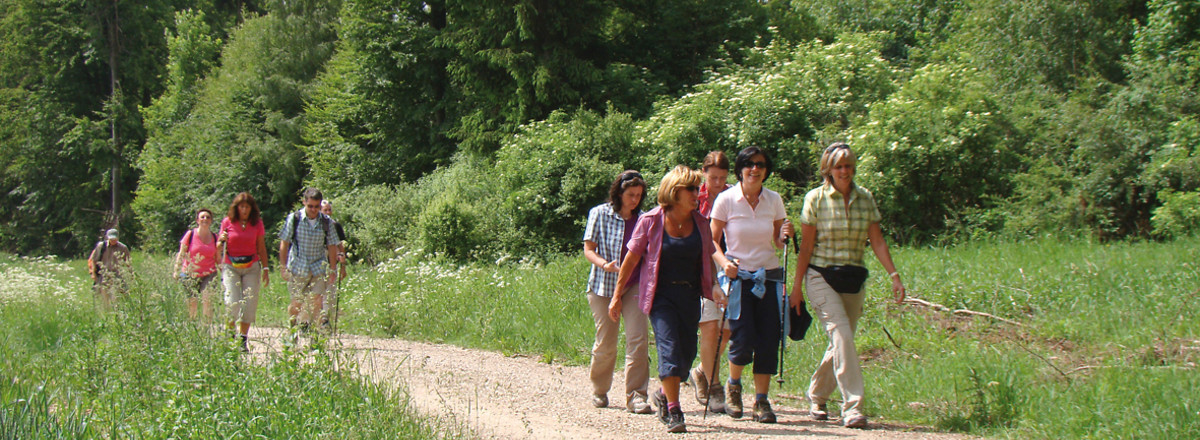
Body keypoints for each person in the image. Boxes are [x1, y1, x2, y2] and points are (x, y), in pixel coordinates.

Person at [790, 142, 906, 429]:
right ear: (828, 169)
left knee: (843, 342)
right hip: (820, 276)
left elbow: (877, 240)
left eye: (849, 165)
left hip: (853, 278)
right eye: (839, 166)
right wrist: (796, 288)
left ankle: (817, 394)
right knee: (840, 335)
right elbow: (805, 247)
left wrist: (894, 275)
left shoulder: (865, 198)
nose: (845, 171)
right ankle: (853, 407)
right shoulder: (815, 198)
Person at [609, 165, 717, 433]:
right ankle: (675, 410)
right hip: (661, 296)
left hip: (690, 295)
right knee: (668, 348)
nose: (697, 193)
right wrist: (617, 296)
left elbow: (708, 257)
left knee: (686, 355)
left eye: (697, 188)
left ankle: (662, 394)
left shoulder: (701, 223)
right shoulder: (651, 220)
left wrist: (715, 286)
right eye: (691, 189)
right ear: (675, 192)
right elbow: (631, 259)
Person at [710, 146, 794, 423]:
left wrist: (785, 235)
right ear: (740, 169)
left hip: (769, 276)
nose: (754, 169)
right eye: (749, 164)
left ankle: (761, 400)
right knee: (743, 338)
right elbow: (711, 240)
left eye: (760, 164)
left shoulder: (774, 200)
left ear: (766, 170)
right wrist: (724, 264)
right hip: (739, 278)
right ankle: (733, 386)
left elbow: (778, 241)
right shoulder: (726, 199)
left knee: (769, 339)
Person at [582, 170, 652, 414]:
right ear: (619, 193)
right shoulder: (599, 213)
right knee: (606, 342)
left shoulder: (644, 219)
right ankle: (599, 390)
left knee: (638, 340)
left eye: (639, 195)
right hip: (603, 286)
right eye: (630, 194)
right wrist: (605, 264)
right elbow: (588, 249)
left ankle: (637, 396)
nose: (634, 199)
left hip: (633, 286)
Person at [691, 150, 733, 413]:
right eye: (713, 177)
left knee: (727, 330)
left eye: (722, 178)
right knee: (709, 328)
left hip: (728, 266)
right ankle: (715, 385)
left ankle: (701, 371)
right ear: (704, 173)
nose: (717, 183)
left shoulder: (733, 196)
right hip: (700, 266)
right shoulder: (695, 196)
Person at [278, 188, 339, 345]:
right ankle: (292, 330)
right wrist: (282, 266)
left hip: (318, 267)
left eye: (316, 206)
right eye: (310, 206)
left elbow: (332, 245)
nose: (313, 210)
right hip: (298, 267)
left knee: (316, 301)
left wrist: (333, 269)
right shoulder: (294, 219)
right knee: (296, 304)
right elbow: (284, 243)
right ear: (304, 202)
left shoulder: (326, 222)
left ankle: (314, 337)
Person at [218, 192, 270, 353]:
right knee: (232, 302)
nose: (244, 210)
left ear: (251, 208)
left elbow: (261, 247)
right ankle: (230, 336)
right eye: (241, 207)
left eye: (247, 207)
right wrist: (221, 239)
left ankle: (242, 339)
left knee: (249, 303)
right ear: (236, 207)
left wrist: (266, 268)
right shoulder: (227, 222)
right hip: (231, 266)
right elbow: (219, 247)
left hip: (251, 266)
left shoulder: (257, 223)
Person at [174, 209, 219, 320]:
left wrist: (222, 271)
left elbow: (218, 257)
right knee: (192, 302)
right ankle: (192, 324)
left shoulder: (215, 237)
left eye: (208, 217)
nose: (205, 219)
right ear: (197, 220)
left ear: (211, 221)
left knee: (208, 299)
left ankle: (206, 328)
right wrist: (176, 270)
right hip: (190, 274)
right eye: (202, 217)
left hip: (209, 274)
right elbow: (182, 253)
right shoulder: (190, 235)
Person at [317, 200, 348, 329]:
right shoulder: (314, 225)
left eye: (329, 210)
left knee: (330, 291)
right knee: (317, 291)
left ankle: (326, 320)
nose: (328, 212)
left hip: (332, 261)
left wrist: (343, 265)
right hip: (317, 260)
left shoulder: (335, 226)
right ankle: (314, 320)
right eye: (325, 210)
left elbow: (340, 244)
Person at [87, 228, 130, 311]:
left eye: (114, 238)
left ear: (118, 238)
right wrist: (93, 274)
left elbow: (128, 263)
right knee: (105, 299)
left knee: (116, 298)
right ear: (107, 238)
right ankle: (107, 313)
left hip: (116, 276)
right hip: (104, 276)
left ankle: (116, 314)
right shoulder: (101, 247)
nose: (113, 240)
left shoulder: (123, 248)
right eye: (111, 239)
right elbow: (93, 260)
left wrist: (129, 275)